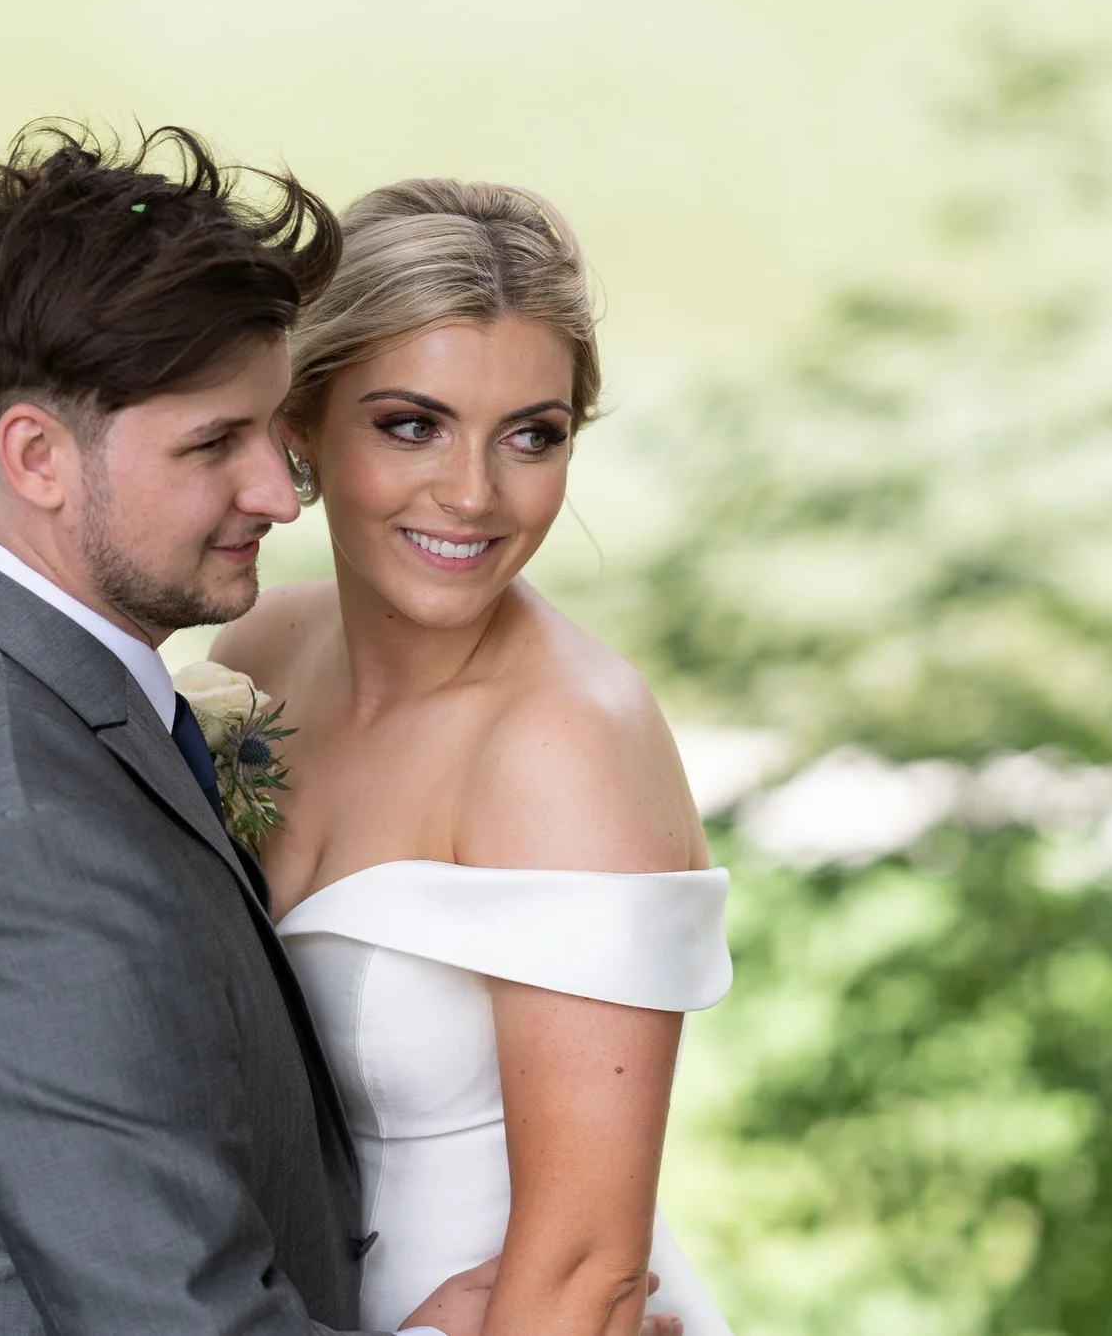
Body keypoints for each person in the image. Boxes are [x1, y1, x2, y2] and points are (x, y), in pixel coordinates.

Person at [0, 125, 502, 1336]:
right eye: (212, 444)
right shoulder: (29, 842)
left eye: (273, 428)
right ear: (36, 455)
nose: (281, 493)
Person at [209, 179, 734, 1336]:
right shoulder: (261, 655)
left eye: (531, 437)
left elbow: (589, 1268)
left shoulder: (566, 744)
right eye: (411, 423)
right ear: (300, 422)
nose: (473, 493)